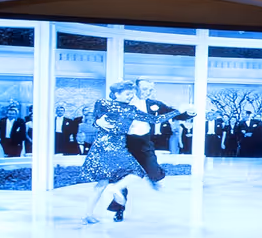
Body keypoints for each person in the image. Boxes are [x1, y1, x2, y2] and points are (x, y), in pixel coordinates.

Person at [80, 81, 150, 224]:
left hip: (121, 147)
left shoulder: (132, 108)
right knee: (131, 175)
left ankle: (90, 214)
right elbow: (94, 119)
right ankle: (108, 202)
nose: (131, 96)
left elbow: (154, 119)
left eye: (132, 93)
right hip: (108, 148)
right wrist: (98, 122)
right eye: (128, 93)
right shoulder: (103, 103)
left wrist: (180, 113)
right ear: (116, 93)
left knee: (104, 183)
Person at [126, 79, 188, 192]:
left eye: (150, 90)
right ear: (135, 88)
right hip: (124, 141)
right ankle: (118, 205)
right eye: (145, 89)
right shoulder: (124, 102)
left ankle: (155, 178)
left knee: (154, 170)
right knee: (121, 174)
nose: (148, 92)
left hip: (143, 142)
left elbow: (170, 113)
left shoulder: (154, 104)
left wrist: (188, 113)